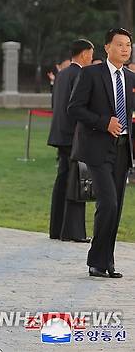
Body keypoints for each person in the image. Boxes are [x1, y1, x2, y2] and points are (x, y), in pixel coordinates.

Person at [68, 28, 135, 279]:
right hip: (97, 150)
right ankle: (96, 260)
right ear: (107, 47)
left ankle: (107, 261)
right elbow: (74, 108)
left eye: (128, 45)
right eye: (120, 45)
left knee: (115, 208)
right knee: (108, 203)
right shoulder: (90, 74)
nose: (125, 49)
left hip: (122, 150)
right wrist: (103, 121)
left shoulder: (130, 78)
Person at [47, 39, 94, 243]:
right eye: (91, 55)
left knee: (63, 179)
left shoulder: (62, 74)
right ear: (84, 54)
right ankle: (74, 232)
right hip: (73, 135)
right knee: (77, 181)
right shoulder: (81, 74)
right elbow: (79, 108)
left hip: (59, 133)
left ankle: (57, 229)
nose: (92, 59)